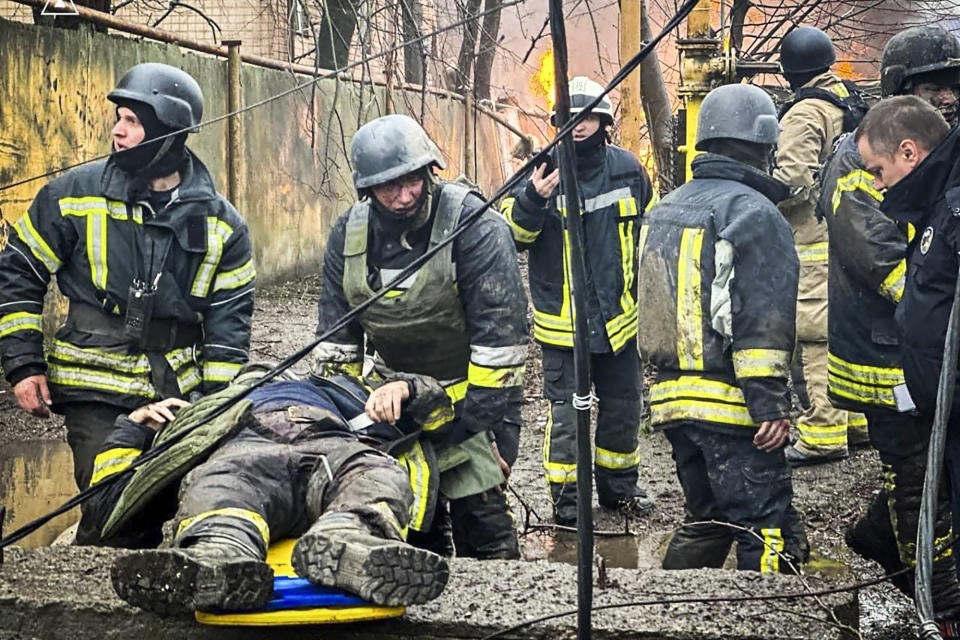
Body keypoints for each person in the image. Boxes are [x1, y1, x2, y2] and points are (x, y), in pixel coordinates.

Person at [0, 63, 255, 493]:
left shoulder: (222, 223)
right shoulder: (73, 195)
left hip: (181, 393)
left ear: (168, 132)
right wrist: (22, 365)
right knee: (110, 497)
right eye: (118, 118)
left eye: (132, 122)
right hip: (94, 394)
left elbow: (229, 329)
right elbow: (18, 273)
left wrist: (216, 410)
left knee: (184, 499)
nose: (117, 130)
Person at [312, 114, 528, 559]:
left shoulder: (475, 226)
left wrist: (476, 432)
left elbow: (500, 344)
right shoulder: (348, 236)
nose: (405, 195)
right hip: (394, 405)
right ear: (367, 189)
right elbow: (336, 350)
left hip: (476, 406)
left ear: (429, 170)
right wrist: (346, 426)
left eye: (413, 180)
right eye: (389, 187)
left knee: (483, 527)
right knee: (407, 525)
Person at [95, 366, 451, 615]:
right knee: (217, 489)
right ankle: (218, 557)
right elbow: (104, 508)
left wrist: (405, 387)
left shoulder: (345, 387)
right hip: (244, 453)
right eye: (255, 371)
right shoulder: (200, 409)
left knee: (375, 473)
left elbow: (439, 410)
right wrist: (132, 427)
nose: (266, 371)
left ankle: (348, 539)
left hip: (330, 444)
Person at [815, 27, 960, 602]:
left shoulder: (943, 150)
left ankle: (877, 536)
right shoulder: (858, 162)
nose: (947, 98)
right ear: (900, 89)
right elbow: (886, 261)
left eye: (954, 85)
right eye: (932, 87)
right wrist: (941, 304)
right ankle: (938, 600)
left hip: (926, 351)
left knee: (936, 467)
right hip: (883, 361)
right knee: (917, 482)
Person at [637, 84, 807, 573]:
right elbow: (762, 320)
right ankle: (767, 621)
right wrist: (770, 404)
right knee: (764, 523)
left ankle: (664, 612)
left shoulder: (666, 207)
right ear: (763, 146)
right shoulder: (756, 214)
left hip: (673, 404)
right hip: (733, 407)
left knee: (707, 516)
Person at [499, 76, 657, 526]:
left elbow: (650, 230)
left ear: (604, 121)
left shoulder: (629, 169)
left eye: (588, 116)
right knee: (568, 420)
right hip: (564, 328)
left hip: (619, 323)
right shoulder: (538, 174)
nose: (579, 125)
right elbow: (511, 237)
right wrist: (533, 199)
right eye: (570, 118)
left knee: (624, 411)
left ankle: (619, 492)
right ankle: (567, 507)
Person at [856, 96, 960, 629]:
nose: (876, 183)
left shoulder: (953, 208)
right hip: (942, 410)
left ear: (909, 152)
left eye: (878, 170)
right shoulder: (935, 208)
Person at [774, 26, 869, 465]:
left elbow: (792, 181)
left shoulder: (804, 114)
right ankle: (857, 421)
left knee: (815, 334)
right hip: (854, 236)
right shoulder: (848, 101)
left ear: (790, 71)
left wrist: (759, 193)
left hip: (813, 239)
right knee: (848, 326)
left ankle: (823, 433)